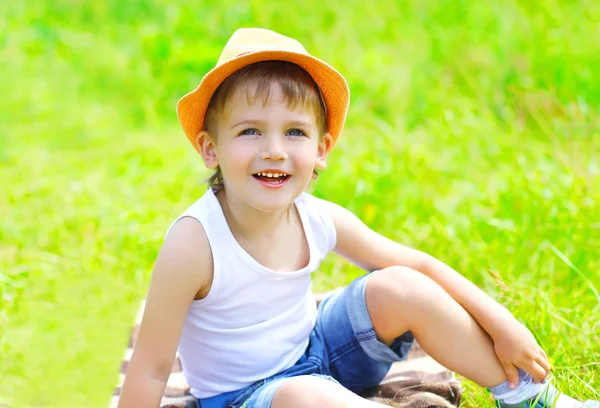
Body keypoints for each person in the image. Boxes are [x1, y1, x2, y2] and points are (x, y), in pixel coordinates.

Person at [118, 28, 599, 408]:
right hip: (249, 397)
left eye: (295, 132)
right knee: (308, 396)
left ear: (321, 150)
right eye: (249, 131)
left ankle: (526, 397)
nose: (274, 151)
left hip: (319, 350)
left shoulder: (315, 217)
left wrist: (502, 324)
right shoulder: (194, 244)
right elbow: (151, 369)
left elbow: (421, 268)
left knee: (400, 285)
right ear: (210, 148)